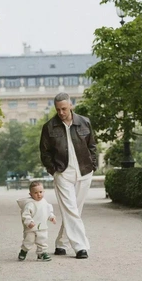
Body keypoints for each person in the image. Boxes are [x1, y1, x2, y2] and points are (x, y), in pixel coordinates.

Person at [39, 93, 97, 259]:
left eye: (64, 108)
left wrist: (92, 165)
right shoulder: (49, 127)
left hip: (84, 172)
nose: (61, 112)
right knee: (71, 210)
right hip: (63, 173)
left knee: (75, 211)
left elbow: (92, 145)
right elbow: (45, 153)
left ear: (71, 105)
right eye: (58, 109)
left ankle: (61, 243)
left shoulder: (84, 122)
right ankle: (81, 247)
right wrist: (54, 170)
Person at [17, 181, 56, 262]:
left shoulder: (44, 202)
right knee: (29, 241)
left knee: (42, 240)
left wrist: (51, 217)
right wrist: (29, 222)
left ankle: (41, 253)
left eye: (41, 192)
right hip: (31, 228)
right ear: (30, 194)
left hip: (42, 226)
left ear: (43, 191)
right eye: (35, 193)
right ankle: (24, 250)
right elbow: (26, 215)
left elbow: (48, 211)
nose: (39, 194)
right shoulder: (30, 204)